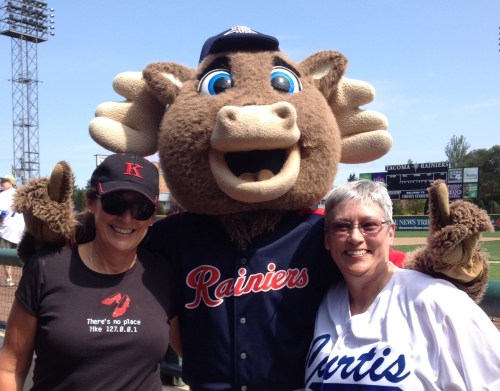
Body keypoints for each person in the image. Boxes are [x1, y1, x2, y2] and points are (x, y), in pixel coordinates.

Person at [0, 154, 179, 390]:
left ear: (153, 215)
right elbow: (10, 365)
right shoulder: (48, 267)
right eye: (115, 203)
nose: (127, 218)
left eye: (141, 208)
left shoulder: (161, 274)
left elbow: (197, 351)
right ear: (92, 202)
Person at [305, 179, 500, 389]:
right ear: (327, 239)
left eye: (369, 225)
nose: (355, 237)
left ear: (390, 233)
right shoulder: (324, 301)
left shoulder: (439, 301)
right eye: (341, 226)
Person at [0, 174, 25, 287]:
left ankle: (9, 279)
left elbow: (2, 213)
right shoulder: (19, 194)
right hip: (20, 229)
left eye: (4, 181)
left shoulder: (4, 195)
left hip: (7, 230)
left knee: (5, 253)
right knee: (20, 255)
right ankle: (26, 278)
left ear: (11, 183)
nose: (2, 183)